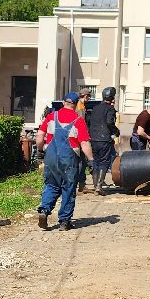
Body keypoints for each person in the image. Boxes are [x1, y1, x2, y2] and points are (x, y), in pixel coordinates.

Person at [37, 92, 93, 231]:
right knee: (68, 188)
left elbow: (40, 136)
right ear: (75, 105)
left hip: (51, 158)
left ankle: (44, 210)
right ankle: (64, 222)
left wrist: (40, 151)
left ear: (63, 102)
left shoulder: (51, 116)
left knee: (51, 185)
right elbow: (84, 143)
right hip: (69, 160)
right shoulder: (78, 120)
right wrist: (91, 160)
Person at [86, 86, 120, 194]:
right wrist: (116, 131)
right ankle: (99, 186)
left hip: (93, 139)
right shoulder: (110, 109)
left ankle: (96, 184)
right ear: (112, 98)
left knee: (95, 161)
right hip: (104, 139)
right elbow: (110, 122)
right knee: (104, 162)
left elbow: (90, 122)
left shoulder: (95, 108)